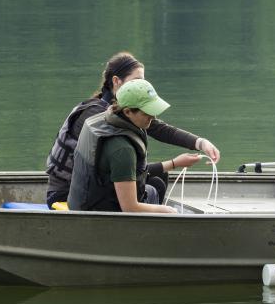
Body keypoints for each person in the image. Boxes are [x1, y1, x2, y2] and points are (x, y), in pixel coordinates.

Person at [46, 51, 220, 208]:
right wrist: (173, 165)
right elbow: (119, 161)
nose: (141, 85)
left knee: (158, 178)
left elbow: (158, 128)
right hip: (74, 190)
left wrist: (200, 143)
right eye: (137, 81)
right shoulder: (99, 117)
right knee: (155, 185)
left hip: (93, 182)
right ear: (116, 81)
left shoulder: (115, 112)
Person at [68, 79, 194, 213]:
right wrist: (170, 212)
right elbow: (130, 208)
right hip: (101, 217)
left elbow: (134, 170)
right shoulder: (122, 149)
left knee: (157, 182)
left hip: (83, 204)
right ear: (127, 111)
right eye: (147, 112)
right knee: (160, 196)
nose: (153, 116)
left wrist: (175, 162)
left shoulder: (105, 119)